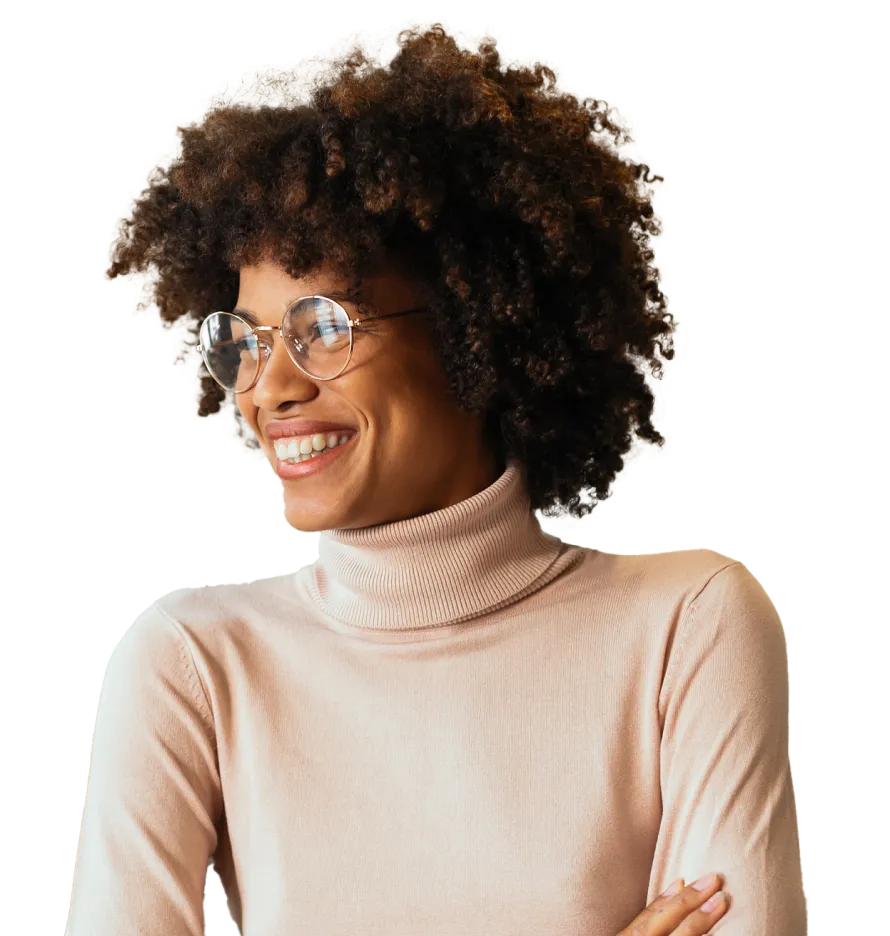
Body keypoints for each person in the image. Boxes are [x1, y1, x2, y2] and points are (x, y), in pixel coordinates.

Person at [69, 19, 807, 936]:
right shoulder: (193, 662)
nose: (271, 387)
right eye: (245, 340)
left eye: (324, 327)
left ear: (474, 334)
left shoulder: (687, 624)